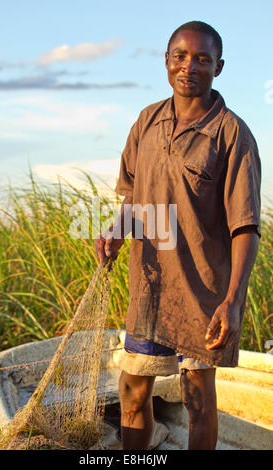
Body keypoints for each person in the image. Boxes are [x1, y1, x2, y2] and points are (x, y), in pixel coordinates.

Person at [95, 20, 261, 450]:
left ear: (218, 67)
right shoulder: (147, 122)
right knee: (132, 391)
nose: (189, 66)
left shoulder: (231, 134)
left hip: (203, 295)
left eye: (202, 59)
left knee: (199, 400)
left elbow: (245, 226)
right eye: (180, 56)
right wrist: (116, 230)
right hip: (150, 289)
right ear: (166, 62)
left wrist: (232, 302)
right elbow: (133, 195)